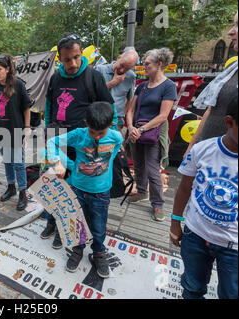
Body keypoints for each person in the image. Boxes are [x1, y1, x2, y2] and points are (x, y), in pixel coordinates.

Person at [41, 33, 115, 247]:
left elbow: (109, 110)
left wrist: (108, 140)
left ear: (81, 53)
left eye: (76, 57)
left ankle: (68, 226)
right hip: (58, 142)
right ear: (60, 59)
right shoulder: (55, 78)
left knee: (76, 189)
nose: (73, 63)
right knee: (55, 184)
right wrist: (48, 131)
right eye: (67, 59)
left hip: (85, 144)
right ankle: (52, 221)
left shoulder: (94, 77)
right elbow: (49, 106)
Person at [170, 94, 237, 299]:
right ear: (229, 122)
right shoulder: (201, 150)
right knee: (192, 286)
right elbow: (184, 188)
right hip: (196, 236)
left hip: (234, 247)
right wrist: (175, 222)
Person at [47, 102, 123, 275]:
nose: (96, 137)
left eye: (101, 133)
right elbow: (52, 142)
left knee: (98, 226)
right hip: (78, 189)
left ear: (110, 124)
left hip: (101, 192)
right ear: (86, 122)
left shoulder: (116, 138)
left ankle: (98, 253)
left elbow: (110, 159)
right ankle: (77, 250)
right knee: (77, 222)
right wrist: (59, 162)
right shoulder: (79, 135)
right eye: (92, 132)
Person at [125, 48, 177, 222]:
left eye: (147, 63)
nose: (143, 66)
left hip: (153, 132)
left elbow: (163, 116)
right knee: (138, 164)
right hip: (137, 131)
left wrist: (141, 130)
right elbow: (130, 109)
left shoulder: (168, 86)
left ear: (159, 64)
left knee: (153, 169)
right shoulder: (142, 86)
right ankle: (141, 192)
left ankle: (158, 204)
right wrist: (131, 127)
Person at [184, 11, 238, 158]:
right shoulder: (231, 71)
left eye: (237, 25)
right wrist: (191, 148)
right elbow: (210, 110)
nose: (230, 31)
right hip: (207, 153)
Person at [0, 54, 32, 211]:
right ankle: (11, 187)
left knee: (18, 162)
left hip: (16, 128)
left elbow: (26, 107)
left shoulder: (18, 84)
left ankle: (23, 192)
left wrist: (27, 127)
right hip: (0, 128)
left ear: (8, 69)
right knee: (7, 161)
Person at [95, 49, 138, 132]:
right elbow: (92, 92)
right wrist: (112, 83)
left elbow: (130, 100)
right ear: (119, 58)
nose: (122, 70)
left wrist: (122, 115)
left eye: (127, 69)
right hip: (98, 118)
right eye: (122, 65)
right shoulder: (100, 70)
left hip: (117, 121)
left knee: (114, 144)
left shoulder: (131, 76)